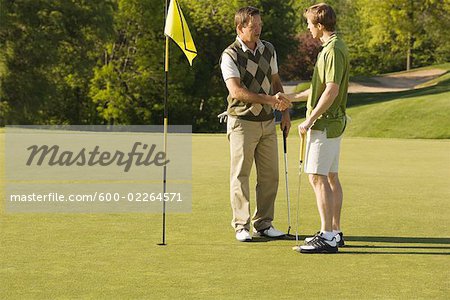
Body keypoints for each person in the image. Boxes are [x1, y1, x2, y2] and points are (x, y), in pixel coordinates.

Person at [220, 6, 291, 242]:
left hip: (268, 122)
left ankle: (264, 224)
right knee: (241, 175)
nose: (259, 29)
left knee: (270, 176)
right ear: (240, 28)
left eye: (260, 25)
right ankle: (241, 225)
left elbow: (275, 81)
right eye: (254, 26)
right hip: (242, 122)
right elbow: (237, 91)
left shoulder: (268, 49)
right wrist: (271, 100)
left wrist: (286, 113)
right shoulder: (229, 55)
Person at [284, 3, 349, 253]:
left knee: (317, 177)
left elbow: (331, 90)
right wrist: (293, 98)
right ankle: (334, 232)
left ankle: (327, 236)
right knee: (330, 176)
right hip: (333, 123)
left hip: (325, 124)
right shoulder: (334, 47)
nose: (308, 28)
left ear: (320, 25)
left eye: (310, 24)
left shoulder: (331, 51)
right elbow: (320, 90)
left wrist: (310, 120)